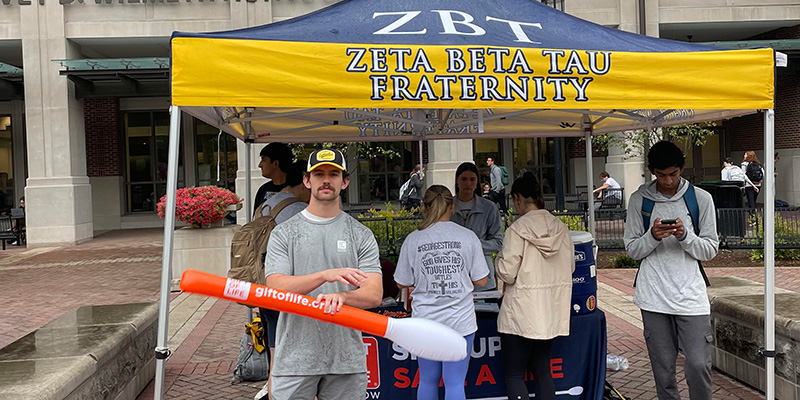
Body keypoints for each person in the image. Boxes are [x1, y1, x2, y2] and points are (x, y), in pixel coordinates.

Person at [263, 148, 383, 400]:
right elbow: (275, 290)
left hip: (346, 360)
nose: (326, 180)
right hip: (295, 359)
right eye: (318, 174)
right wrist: (324, 276)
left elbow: (373, 294)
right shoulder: (284, 233)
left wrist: (343, 297)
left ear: (345, 181)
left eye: (333, 174)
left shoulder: (360, 235)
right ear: (307, 181)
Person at [624, 141, 719, 400]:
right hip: (653, 296)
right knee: (663, 370)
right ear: (651, 171)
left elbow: (710, 250)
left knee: (698, 364)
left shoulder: (700, 199)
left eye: (673, 174)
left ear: (682, 169)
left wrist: (685, 235)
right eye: (661, 174)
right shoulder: (639, 200)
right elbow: (632, 249)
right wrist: (652, 236)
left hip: (691, 296)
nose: (667, 181)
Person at [394, 185, 489, 400]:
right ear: (452, 206)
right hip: (460, 322)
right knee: (455, 383)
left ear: (424, 207)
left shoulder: (413, 239)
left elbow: (401, 282)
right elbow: (481, 279)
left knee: (427, 380)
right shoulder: (468, 236)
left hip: (426, 322)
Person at [495, 172, 575, 400]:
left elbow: (507, 274)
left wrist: (498, 260)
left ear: (518, 198)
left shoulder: (516, 230)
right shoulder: (560, 227)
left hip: (519, 312)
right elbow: (570, 267)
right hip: (549, 310)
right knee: (542, 371)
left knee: (514, 374)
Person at [254, 161, 311, 400]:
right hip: (289, 291)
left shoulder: (267, 203)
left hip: (263, 286)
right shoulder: (296, 210)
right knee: (303, 361)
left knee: (275, 357)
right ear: (303, 182)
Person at [451, 162, 503, 292]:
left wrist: (473, 245)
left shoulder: (489, 208)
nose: (468, 183)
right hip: (453, 279)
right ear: (457, 180)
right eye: (464, 179)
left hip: (483, 279)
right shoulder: (447, 207)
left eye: (472, 179)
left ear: (477, 182)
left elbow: (498, 242)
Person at [254, 142, 293, 209]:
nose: (260, 165)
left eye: (263, 160)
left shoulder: (296, 188)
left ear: (275, 163)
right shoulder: (263, 189)